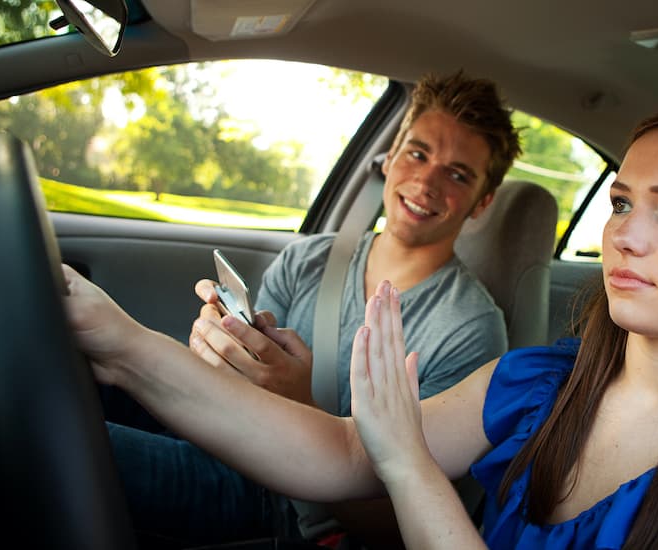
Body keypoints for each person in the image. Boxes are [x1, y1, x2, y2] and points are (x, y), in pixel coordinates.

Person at [65, 95, 658, 549]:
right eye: (622, 201)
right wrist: (125, 345)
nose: (625, 231)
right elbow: (348, 452)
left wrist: (410, 466)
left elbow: (387, 460)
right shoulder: (543, 380)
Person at [102, 70, 521, 547]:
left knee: (51, 447)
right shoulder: (310, 258)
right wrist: (218, 350)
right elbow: (237, 387)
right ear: (391, 158)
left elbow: (400, 517)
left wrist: (300, 402)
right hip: (220, 431)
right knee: (67, 380)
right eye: (418, 153)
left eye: (457, 174)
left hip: (288, 508)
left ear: (482, 202)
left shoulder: (469, 328)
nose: (425, 181)